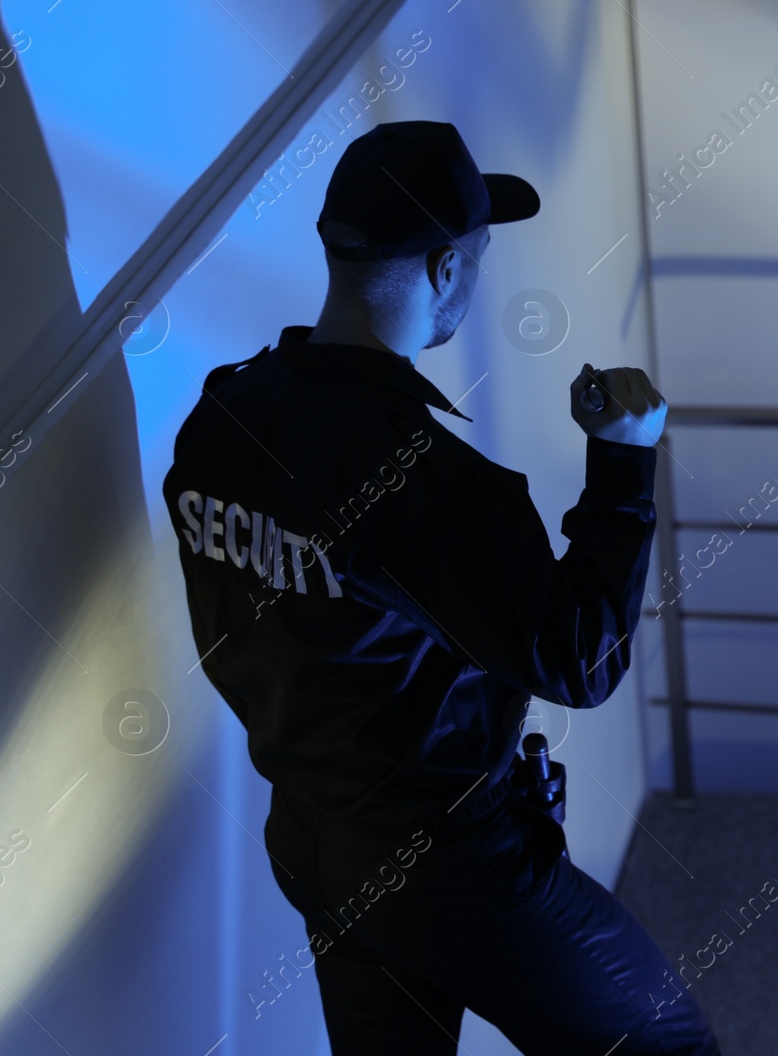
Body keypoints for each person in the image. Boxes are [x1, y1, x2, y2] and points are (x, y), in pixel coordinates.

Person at [162, 120, 720, 1055]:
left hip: (314, 841)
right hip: (453, 867)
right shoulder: (426, 480)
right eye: (480, 254)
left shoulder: (222, 417)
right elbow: (580, 658)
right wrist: (623, 461)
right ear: (445, 272)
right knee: (665, 1042)